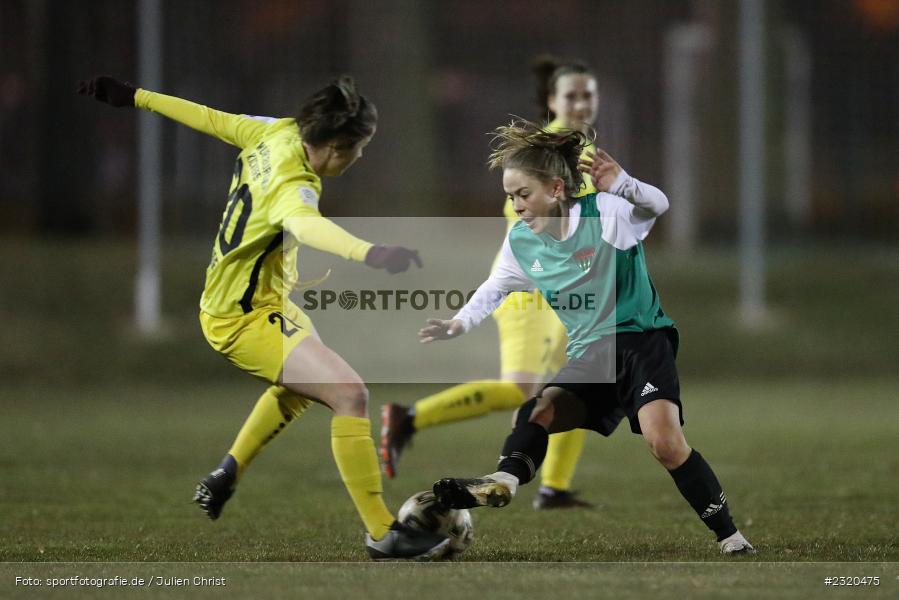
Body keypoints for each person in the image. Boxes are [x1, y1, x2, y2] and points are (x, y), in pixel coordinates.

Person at [77, 75, 450, 560]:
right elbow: (306, 225)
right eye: (360, 148)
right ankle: (385, 533)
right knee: (349, 393)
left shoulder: (275, 131)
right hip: (241, 318)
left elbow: (210, 118)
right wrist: (373, 253)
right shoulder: (293, 185)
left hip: (262, 302)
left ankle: (227, 472)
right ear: (337, 146)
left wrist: (135, 97)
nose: (360, 157)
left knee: (302, 388)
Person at [420, 119, 755, 555]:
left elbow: (657, 204)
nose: (517, 206)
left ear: (557, 189)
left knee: (664, 443)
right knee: (536, 410)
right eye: (510, 197)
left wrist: (626, 184)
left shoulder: (605, 213)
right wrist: (459, 323)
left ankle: (731, 536)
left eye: (524, 195)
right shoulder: (522, 241)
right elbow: (495, 287)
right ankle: (501, 481)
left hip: (641, 341)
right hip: (590, 354)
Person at [380, 57, 600, 510]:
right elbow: (525, 223)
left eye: (588, 94)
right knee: (522, 390)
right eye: (571, 95)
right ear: (551, 101)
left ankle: (555, 488)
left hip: (561, 293)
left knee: (579, 381)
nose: (581, 102)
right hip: (533, 291)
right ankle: (411, 417)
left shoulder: (583, 150)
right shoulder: (550, 155)